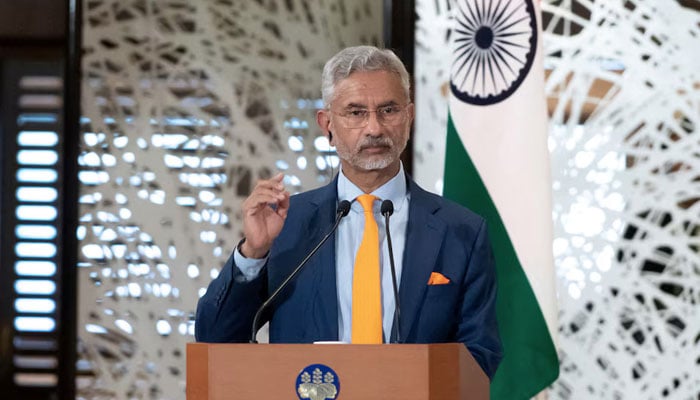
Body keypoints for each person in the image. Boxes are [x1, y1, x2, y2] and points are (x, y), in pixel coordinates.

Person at [195, 45, 502, 379]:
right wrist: (253, 253)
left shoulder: (462, 232)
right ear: (327, 124)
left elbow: (480, 356)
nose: (374, 128)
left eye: (388, 110)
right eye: (356, 113)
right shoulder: (288, 224)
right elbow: (216, 338)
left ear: (409, 117)